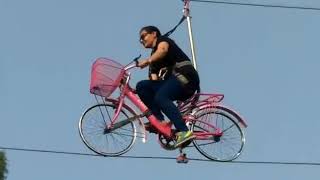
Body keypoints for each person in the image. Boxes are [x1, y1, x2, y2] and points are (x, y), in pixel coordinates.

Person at [136, 25, 200, 147]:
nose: (142, 40)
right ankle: (159, 122)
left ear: (154, 33)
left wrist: (148, 60)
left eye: (143, 36)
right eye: (140, 39)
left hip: (186, 77)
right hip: (174, 81)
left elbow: (163, 50)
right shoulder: (153, 57)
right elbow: (153, 81)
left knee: (161, 97)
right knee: (142, 86)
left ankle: (184, 131)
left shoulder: (163, 41)